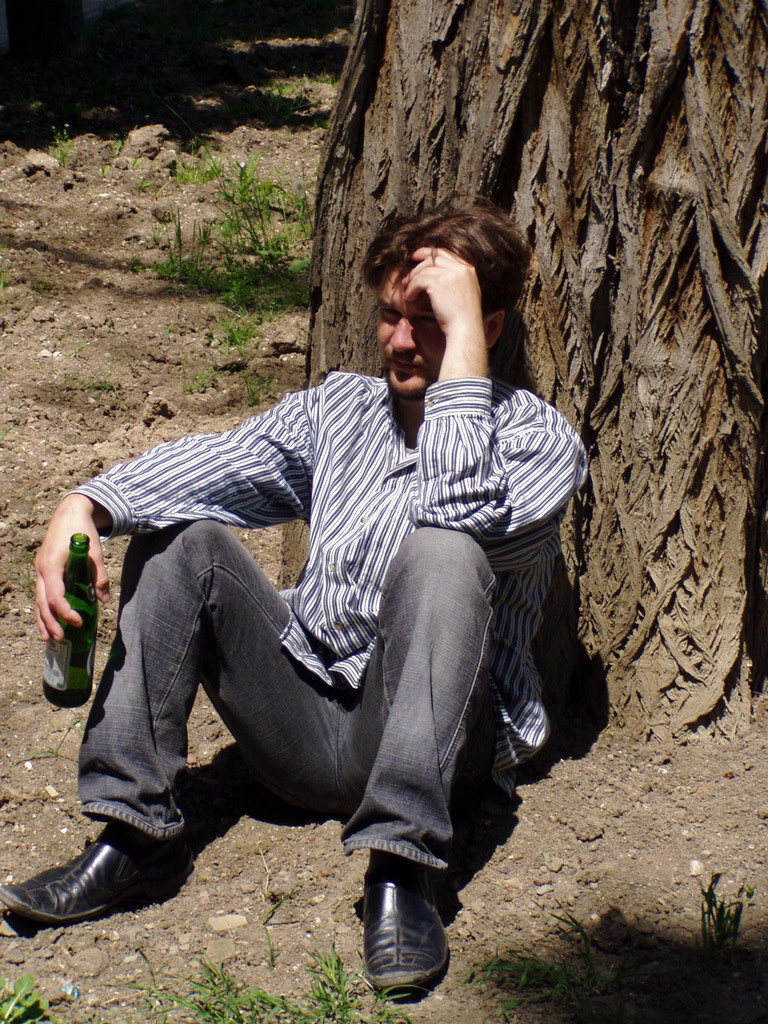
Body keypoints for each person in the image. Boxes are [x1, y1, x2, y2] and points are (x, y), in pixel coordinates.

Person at [0, 199, 587, 989]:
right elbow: (217, 464)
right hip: (302, 728)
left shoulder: (540, 444)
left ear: (489, 326)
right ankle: (133, 837)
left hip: (440, 746)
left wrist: (463, 359)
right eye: (390, 316)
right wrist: (86, 504)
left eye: (431, 321)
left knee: (445, 552)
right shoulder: (340, 409)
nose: (401, 341)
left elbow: (455, 512)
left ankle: (405, 869)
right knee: (182, 537)